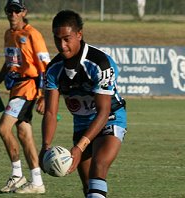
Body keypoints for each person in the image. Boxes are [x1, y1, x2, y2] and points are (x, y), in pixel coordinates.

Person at [39, 10, 127, 198]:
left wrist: (79, 148)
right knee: (89, 186)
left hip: (110, 117)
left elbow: (103, 112)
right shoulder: (53, 70)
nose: (62, 46)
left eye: (67, 39)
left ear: (79, 34)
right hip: (81, 123)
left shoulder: (100, 64)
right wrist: (45, 146)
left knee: (99, 165)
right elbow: (50, 113)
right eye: (57, 39)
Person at [0, 0, 50, 194]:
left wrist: (45, 96)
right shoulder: (8, 34)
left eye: (16, 10)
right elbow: (9, 64)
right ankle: (37, 182)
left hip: (29, 88)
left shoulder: (33, 34)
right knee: (24, 134)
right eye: (9, 10)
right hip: (16, 88)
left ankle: (17, 175)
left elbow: (46, 67)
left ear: (24, 12)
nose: (12, 14)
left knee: (3, 128)